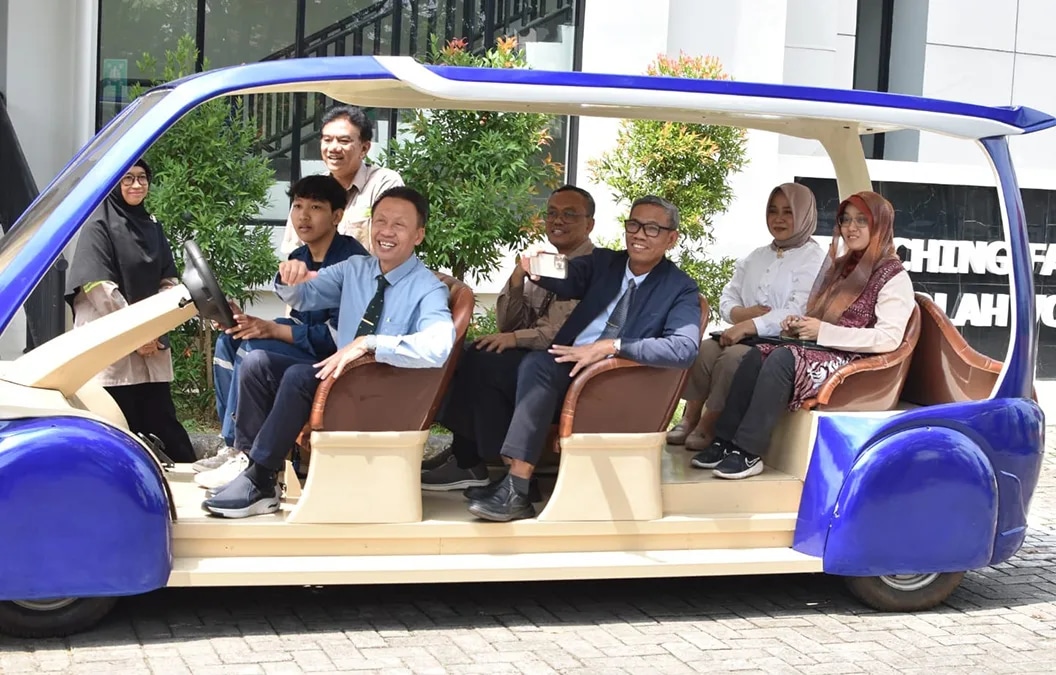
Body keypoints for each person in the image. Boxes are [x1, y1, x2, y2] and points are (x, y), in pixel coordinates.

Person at [201, 186, 456, 518]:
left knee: (299, 376)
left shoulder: (428, 288)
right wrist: (290, 278)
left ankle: (259, 479)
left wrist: (370, 343)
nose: (386, 232)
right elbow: (305, 295)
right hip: (341, 379)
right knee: (257, 362)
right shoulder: (355, 269)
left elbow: (439, 346)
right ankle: (254, 470)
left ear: (418, 235)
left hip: (384, 389)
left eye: (399, 225)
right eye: (380, 221)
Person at [465, 196, 702, 522]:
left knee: (538, 366)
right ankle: (508, 476)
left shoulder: (680, 288)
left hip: (613, 378)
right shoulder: (606, 263)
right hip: (569, 362)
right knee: (484, 361)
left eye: (652, 228)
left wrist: (610, 346)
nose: (639, 234)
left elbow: (683, 348)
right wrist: (536, 265)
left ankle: (516, 489)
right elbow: (568, 275)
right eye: (633, 224)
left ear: (671, 238)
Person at [691, 190, 915, 480]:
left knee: (782, 359)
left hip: (857, 365)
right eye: (846, 220)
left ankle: (748, 451)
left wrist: (823, 332)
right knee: (756, 355)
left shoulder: (893, 276)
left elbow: (888, 339)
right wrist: (799, 325)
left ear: (880, 225)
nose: (851, 227)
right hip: (827, 350)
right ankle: (724, 441)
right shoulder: (843, 267)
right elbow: (823, 316)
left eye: (862, 220)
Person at [421, 185, 597, 490]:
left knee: (482, 362)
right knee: (462, 354)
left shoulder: (595, 268)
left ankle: (479, 462)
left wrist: (515, 339)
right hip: (533, 356)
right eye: (552, 213)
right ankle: (468, 458)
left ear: (589, 224)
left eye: (570, 214)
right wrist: (518, 277)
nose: (558, 220)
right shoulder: (545, 262)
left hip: (566, 366)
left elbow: (566, 333)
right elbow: (508, 322)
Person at [196, 175, 369, 475]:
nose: (303, 216)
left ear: (337, 216)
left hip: (331, 359)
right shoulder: (299, 256)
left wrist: (273, 330)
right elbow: (299, 318)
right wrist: (249, 322)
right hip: (306, 348)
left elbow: (337, 337)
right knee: (230, 340)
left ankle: (243, 451)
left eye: (315, 207)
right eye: (298, 206)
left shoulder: (353, 262)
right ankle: (230, 445)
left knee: (252, 349)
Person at [668, 183, 825, 451]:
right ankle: (689, 416)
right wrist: (741, 314)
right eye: (773, 211)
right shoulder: (757, 256)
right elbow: (728, 297)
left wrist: (750, 325)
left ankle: (710, 423)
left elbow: (798, 309)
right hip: (741, 332)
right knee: (704, 350)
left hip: (781, 343)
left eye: (788, 212)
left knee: (732, 359)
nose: (778, 219)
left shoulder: (815, 260)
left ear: (804, 215)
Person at [65, 158, 196, 463]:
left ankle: (184, 480)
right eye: (127, 178)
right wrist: (136, 335)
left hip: (150, 344)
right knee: (117, 428)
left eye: (142, 178)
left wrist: (153, 330)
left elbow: (169, 281)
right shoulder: (97, 225)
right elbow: (98, 287)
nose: (137, 185)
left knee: (163, 424)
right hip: (112, 344)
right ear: (114, 184)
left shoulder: (152, 225)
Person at [280, 105, 403, 254]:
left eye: (343, 141)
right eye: (327, 140)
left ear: (364, 148)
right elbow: (294, 249)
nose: (333, 148)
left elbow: (392, 248)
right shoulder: (311, 188)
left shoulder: (384, 183)